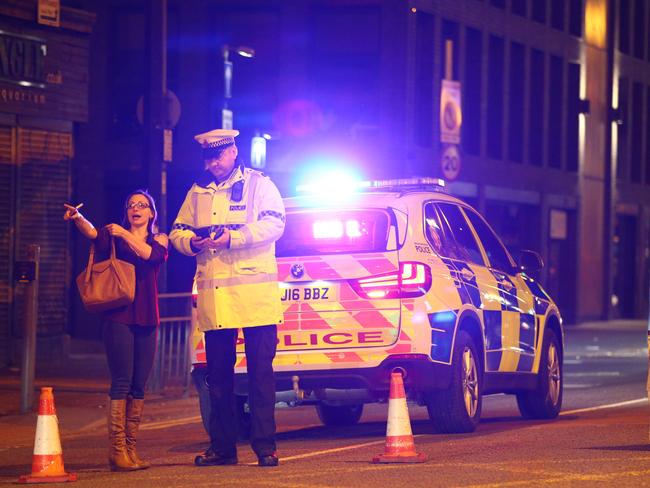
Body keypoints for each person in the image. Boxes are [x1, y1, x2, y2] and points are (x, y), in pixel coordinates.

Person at [170, 129, 285, 468]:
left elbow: (275, 224)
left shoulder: (259, 184)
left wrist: (232, 238)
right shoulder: (198, 191)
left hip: (255, 299)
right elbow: (178, 230)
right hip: (216, 300)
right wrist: (192, 243)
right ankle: (222, 447)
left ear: (234, 151)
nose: (213, 161)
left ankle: (266, 447)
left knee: (260, 376)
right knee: (218, 378)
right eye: (208, 156)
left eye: (218, 154)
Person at [63, 190, 168, 472]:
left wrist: (123, 233)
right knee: (121, 381)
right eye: (131, 204)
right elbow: (93, 234)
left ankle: (131, 450)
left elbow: (148, 255)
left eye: (142, 205)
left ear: (151, 213)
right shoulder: (114, 236)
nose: (136, 208)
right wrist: (78, 217)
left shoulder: (159, 240)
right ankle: (117, 452)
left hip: (147, 319)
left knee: (139, 385)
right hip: (118, 317)